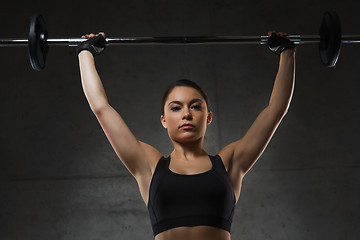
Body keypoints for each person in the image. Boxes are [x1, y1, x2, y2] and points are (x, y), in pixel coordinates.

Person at [77, 31, 295, 240]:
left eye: (195, 106)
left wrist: (286, 52)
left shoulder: (229, 162)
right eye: (175, 108)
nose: (186, 114)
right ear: (163, 120)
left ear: (208, 117)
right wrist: (85, 53)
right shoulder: (149, 165)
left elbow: (275, 110)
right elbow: (102, 109)